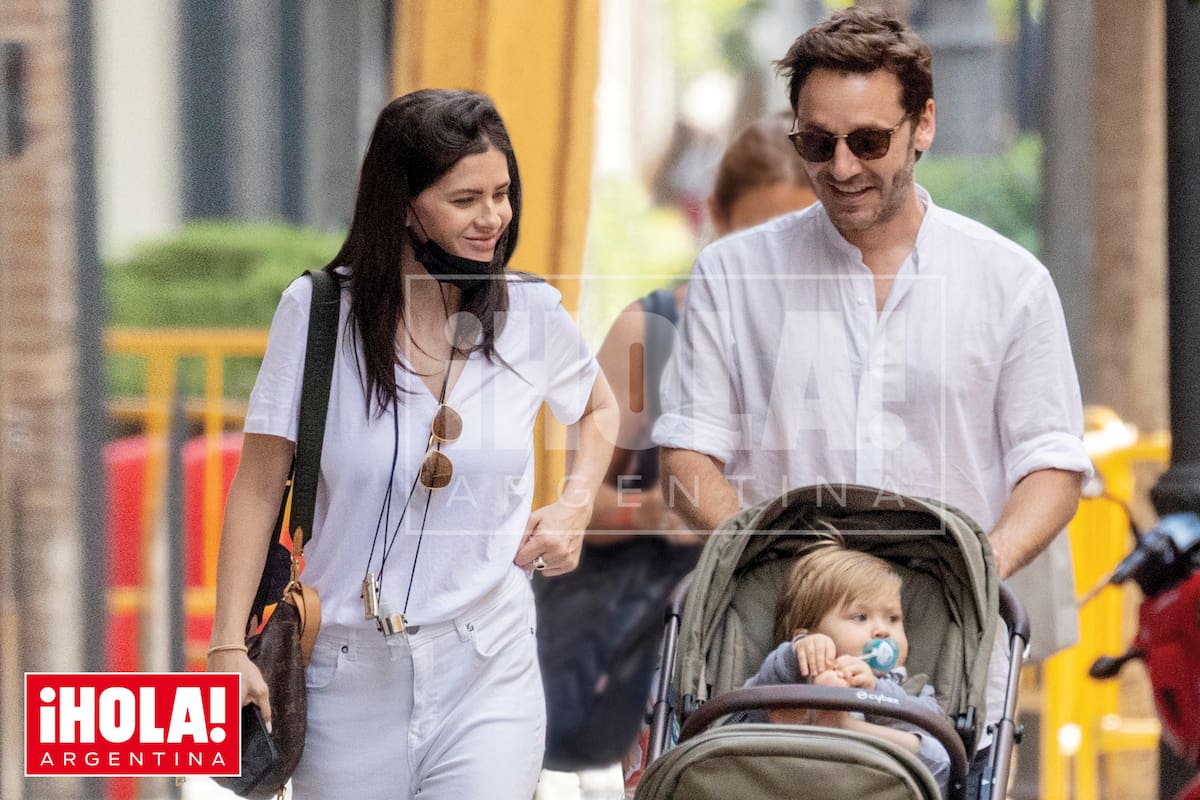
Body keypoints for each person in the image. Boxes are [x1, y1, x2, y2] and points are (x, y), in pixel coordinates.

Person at [653, 7, 1091, 791]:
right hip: (772, 668)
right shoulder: (732, 276)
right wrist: (774, 568)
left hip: (945, 677)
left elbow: (1053, 467)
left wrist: (968, 572)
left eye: (869, 142)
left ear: (923, 124)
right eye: (816, 144)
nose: (843, 167)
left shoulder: (1008, 283)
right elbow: (689, 454)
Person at [207, 89, 618, 800]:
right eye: (465, 200)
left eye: (503, 194)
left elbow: (602, 407)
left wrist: (576, 504)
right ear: (402, 204)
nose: (494, 218)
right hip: (342, 678)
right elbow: (256, 484)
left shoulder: (532, 315)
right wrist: (222, 648)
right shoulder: (315, 316)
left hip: (487, 666)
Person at [589, 111, 817, 539]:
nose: (778, 264)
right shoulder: (648, 332)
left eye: (804, 241)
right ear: (718, 216)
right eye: (760, 239)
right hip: (652, 591)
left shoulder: (843, 332)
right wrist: (646, 512)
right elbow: (577, 505)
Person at [742, 542, 951, 798]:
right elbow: (763, 687)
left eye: (893, 619)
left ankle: (845, 726)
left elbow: (933, 723)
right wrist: (797, 652)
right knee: (752, 705)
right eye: (860, 617)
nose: (883, 630)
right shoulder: (797, 670)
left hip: (875, 782)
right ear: (808, 633)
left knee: (937, 753)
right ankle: (805, 721)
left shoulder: (908, 685)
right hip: (784, 774)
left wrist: (875, 692)